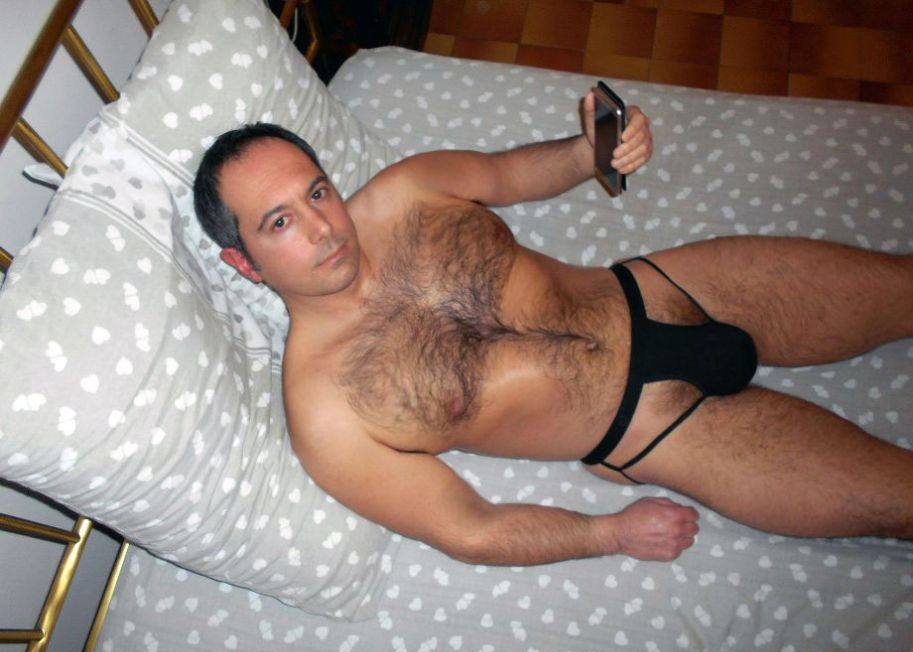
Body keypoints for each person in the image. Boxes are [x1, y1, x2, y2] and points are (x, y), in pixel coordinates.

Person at [193, 90, 913, 566]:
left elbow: (509, 175)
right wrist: (607, 533)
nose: (323, 227)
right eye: (280, 222)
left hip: (670, 288)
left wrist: (592, 149)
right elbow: (469, 528)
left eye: (317, 191)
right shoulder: (325, 416)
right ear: (243, 262)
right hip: (656, 429)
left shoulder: (408, 190)